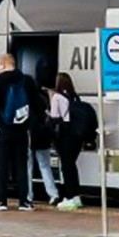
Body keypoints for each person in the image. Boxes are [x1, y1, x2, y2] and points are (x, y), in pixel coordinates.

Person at [0, 52, 41, 211]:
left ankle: (2, 201)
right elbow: (36, 103)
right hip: (22, 130)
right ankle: (24, 202)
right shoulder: (27, 80)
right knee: (22, 166)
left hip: (3, 129)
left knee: (2, 166)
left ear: (3, 64)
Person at [52, 72, 87, 210]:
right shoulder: (75, 97)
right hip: (77, 135)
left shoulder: (57, 97)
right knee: (72, 165)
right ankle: (76, 196)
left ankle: (69, 197)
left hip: (65, 134)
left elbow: (55, 117)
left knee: (66, 167)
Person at [29, 76, 65, 206]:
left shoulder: (25, 100)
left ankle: (28, 196)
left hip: (28, 136)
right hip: (42, 136)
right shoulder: (42, 99)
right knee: (45, 166)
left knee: (28, 167)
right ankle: (53, 194)